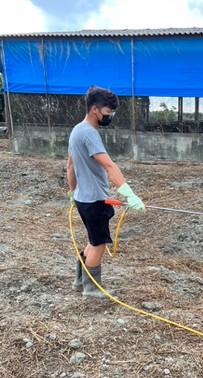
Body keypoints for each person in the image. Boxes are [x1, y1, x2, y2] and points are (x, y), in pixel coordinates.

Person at [67, 85, 145, 298]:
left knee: (93, 240)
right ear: (95, 109)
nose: (109, 116)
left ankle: (79, 281)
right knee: (99, 244)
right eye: (108, 112)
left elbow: (70, 167)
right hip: (94, 200)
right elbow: (109, 166)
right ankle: (92, 289)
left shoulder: (76, 131)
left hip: (83, 198)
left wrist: (73, 193)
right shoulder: (90, 134)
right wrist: (129, 194)